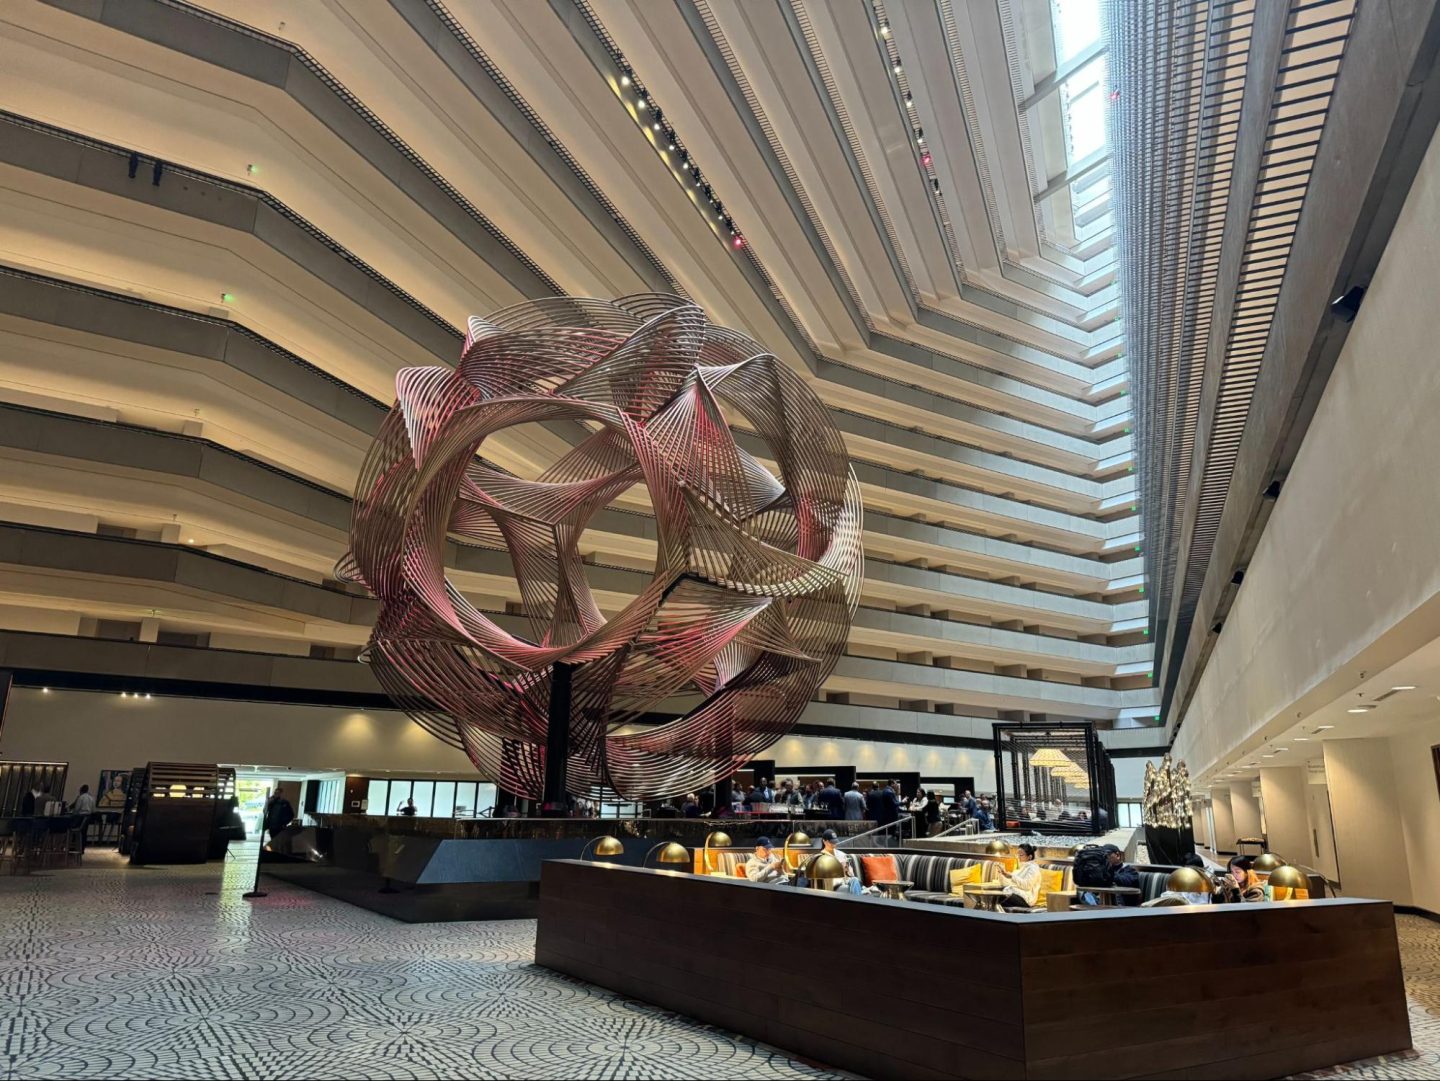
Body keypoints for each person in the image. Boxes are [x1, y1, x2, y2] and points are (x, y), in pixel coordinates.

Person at [998, 843, 1041, 909]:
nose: (1018, 857)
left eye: (1021, 855)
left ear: (1029, 857)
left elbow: (1027, 886)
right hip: (1016, 894)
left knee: (998, 902)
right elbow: (1007, 884)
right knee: (995, 898)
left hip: (1027, 899)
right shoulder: (1021, 867)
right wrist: (1002, 874)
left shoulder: (1033, 868)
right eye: (1017, 855)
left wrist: (1012, 876)